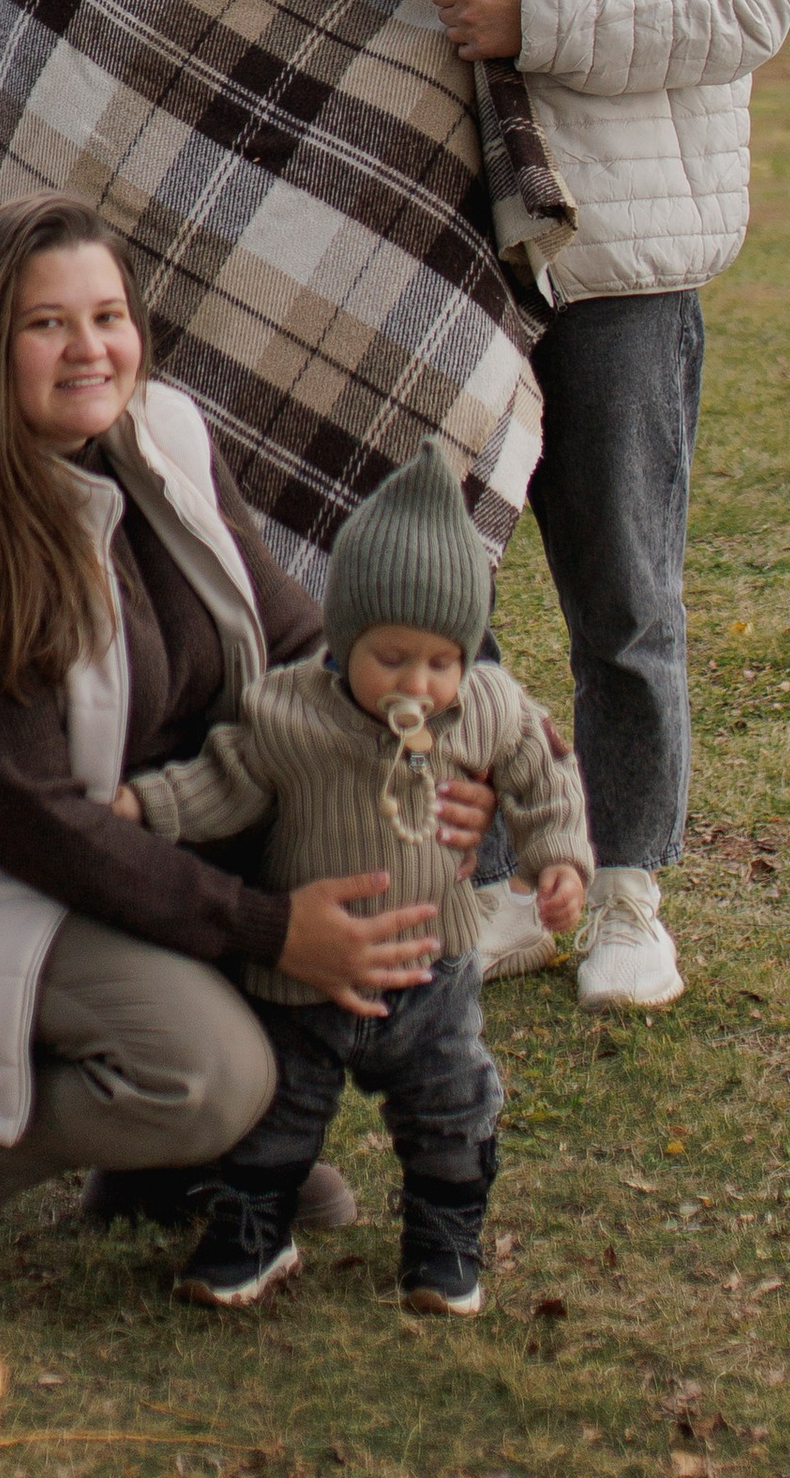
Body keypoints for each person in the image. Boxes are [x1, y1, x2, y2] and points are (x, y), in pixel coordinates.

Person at [268, 0, 790, 1012]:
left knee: (623, 597)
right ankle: (500, 883)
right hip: (430, 254)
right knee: (450, 597)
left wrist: (539, 18)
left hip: (618, 260)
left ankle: (627, 891)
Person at [0, 192, 498, 1234]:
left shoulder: (164, 431)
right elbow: (30, 820)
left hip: (126, 829)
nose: (89, 349)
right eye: (46, 323)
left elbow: (294, 645)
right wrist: (268, 927)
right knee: (203, 1072)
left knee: (362, 853)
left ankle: (179, 1166)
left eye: (108, 316)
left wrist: (431, 758)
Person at [116, 442, 591, 1318]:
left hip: (432, 966)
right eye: (392, 657)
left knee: (452, 1103)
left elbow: (541, 768)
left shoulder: (485, 706)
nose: (417, 681)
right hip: (304, 975)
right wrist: (145, 806)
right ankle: (255, 1225)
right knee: (280, 1107)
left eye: (440, 661)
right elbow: (225, 776)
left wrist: (556, 856)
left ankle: (444, 1239)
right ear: (344, 638)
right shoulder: (292, 711)